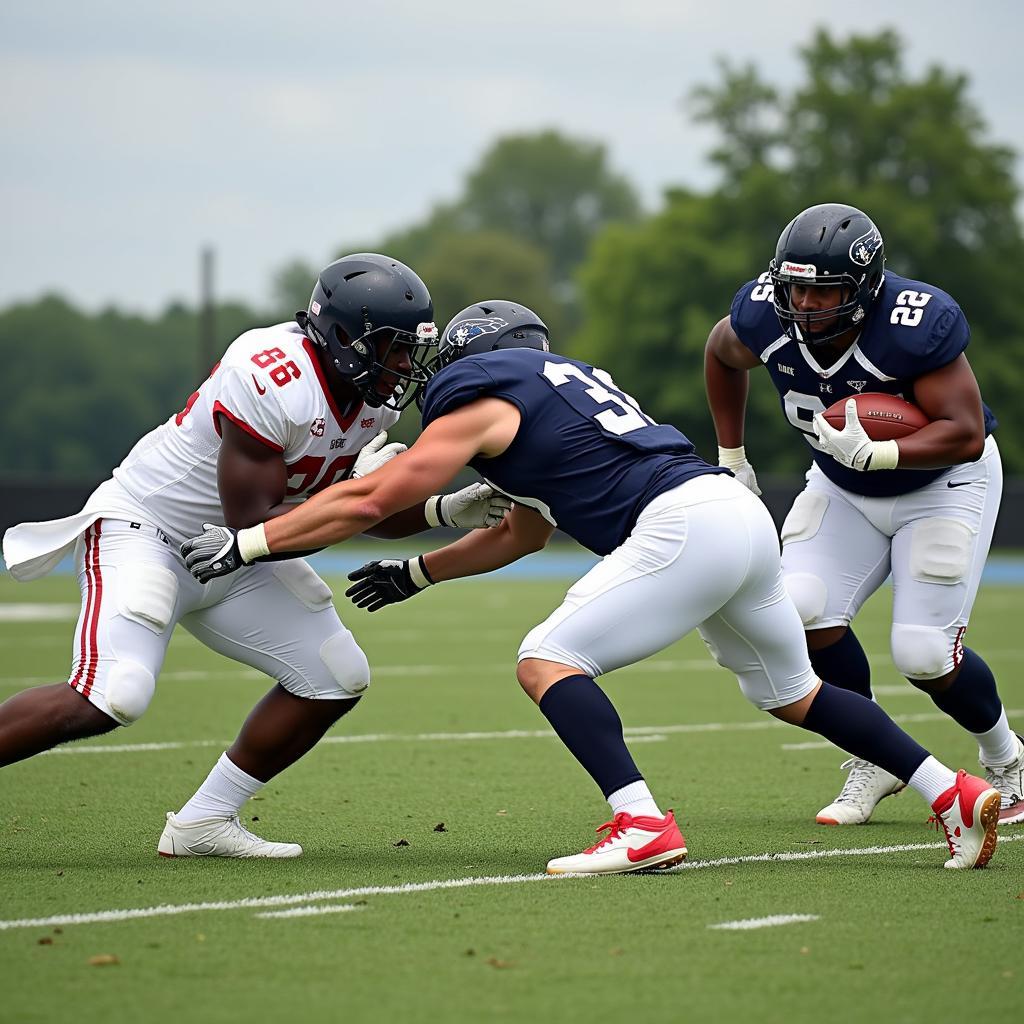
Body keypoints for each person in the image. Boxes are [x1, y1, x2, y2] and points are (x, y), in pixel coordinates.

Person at [181, 299, 1001, 872]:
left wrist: (251, 541)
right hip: (734, 517)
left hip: (682, 525)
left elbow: (370, 497)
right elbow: (522, 531)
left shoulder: (485, 394)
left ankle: (641, 823)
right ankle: (952, 793)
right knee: (791, 692)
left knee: (547, 659)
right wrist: (417, 571)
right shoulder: (566, 392)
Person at [0, 254, 510, 859]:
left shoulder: (373, 398)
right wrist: (354, 497)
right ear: (343, 337)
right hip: (151, 533)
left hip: (237, 557)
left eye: (409, 350)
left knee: (335, 676)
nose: (402, 366)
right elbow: (258, 522)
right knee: (114, 694)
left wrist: (443, 513)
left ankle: (203, 823)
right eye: (391, 348)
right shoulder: (271, 376)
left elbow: (327, 516)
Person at [705, 203, 1023, 827]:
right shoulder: (764, 312)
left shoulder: (914, 324)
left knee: (925, 653)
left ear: (865, 287)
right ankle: (875, 757)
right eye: (794, 286)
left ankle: (1008, 760)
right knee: (797, 608)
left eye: (822, 293)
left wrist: (888, 451)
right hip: (844, 482)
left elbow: (961, 431)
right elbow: (721, 352)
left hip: (942, 482)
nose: (803, 303)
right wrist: (732, 453)